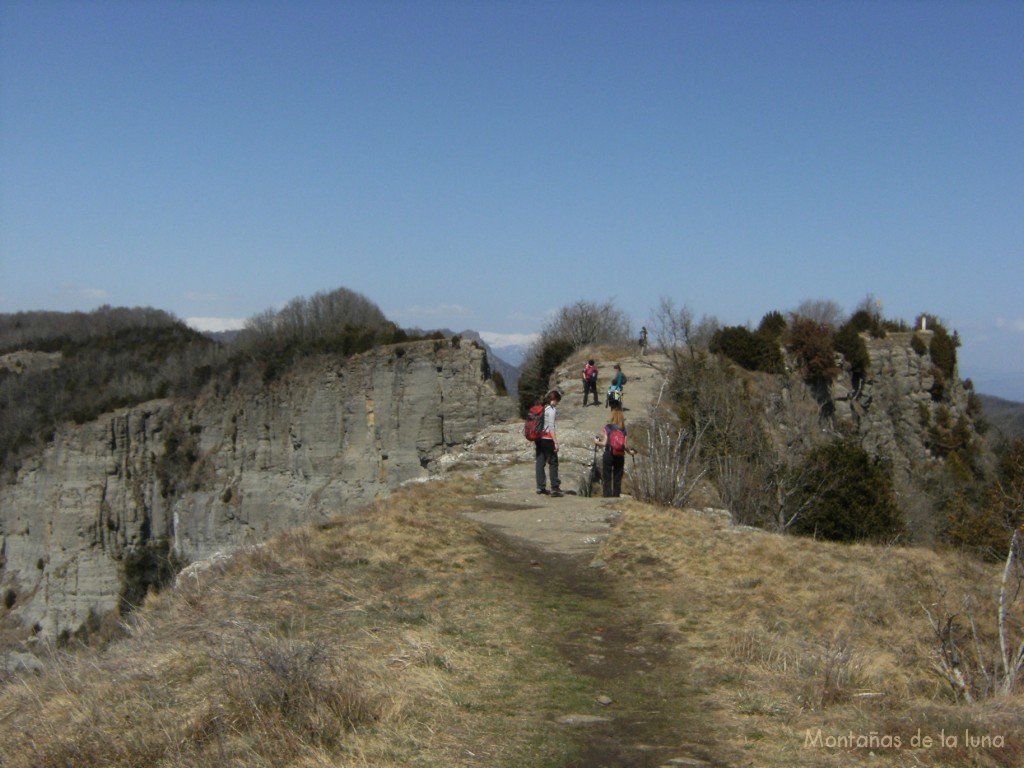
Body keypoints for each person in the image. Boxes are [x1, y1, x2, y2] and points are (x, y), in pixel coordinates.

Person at [594, 408, 635, 497]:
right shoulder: (623, 429)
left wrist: (597, 442)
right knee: (617, 477)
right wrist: (630, 452)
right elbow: (625, 445)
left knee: (607, 476)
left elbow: (604, 443)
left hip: (609, 453)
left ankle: (607, 495)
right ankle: (616, 495)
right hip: (620, 455)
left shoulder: (608, 427)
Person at [535, 390, 563, 497]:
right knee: (553, 462)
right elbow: (551, 427)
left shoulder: (542, 408)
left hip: (539, 438)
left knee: (540, 462)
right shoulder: (551, 410)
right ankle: (555, 487)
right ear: (554, 400)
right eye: (557, 401)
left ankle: (540, 487)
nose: (557, 403)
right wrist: (555, 442)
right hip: (547, 439)